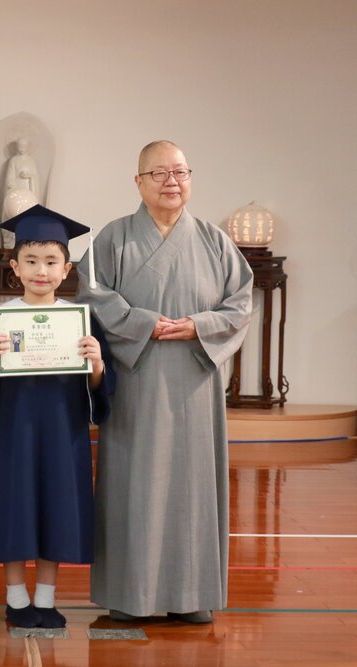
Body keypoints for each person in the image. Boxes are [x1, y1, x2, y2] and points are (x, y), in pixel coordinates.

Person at [76, 140, 253, 624]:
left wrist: (199, 326)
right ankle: (130, 593)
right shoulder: (113, 239)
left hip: (194, 378)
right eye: (159, 173)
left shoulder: (215, 241)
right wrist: (141, 323)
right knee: (134, 483)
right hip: (138, 376)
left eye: (180, 172)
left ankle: (193, 593)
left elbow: (239, 304)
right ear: (138, 182)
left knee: (195, 485)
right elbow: (91, 296)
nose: (172, 181)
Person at [0, 205, 115, 628]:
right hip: (14, 428)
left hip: (64, 429)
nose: (41, 270)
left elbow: (102, 385)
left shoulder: (81, 321)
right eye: (31, 261)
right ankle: (15, 597)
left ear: (66, 269)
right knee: (14, 507)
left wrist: (98, 363)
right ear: (14, 267)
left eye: (51, 262)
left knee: (58, 507)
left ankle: (46, 598)